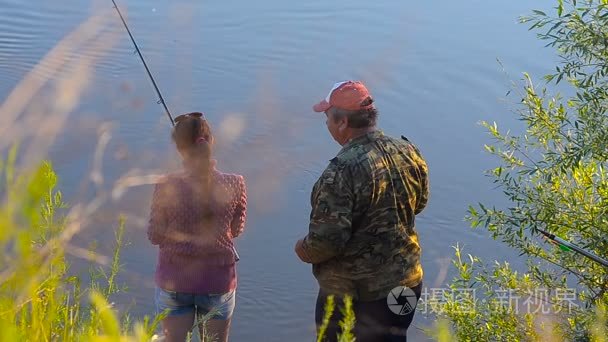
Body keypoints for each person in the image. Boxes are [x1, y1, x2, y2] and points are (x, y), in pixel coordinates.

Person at [294, 81, 429, 342]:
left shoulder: (340, 172)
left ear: (342, 122)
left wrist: (303, 248)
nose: (326, 125)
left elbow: (327, 241)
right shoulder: (408, 152)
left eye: (327, 118)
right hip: (406, 283)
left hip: (357, 295)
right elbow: (419, 203)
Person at [147, 112, 247, 342]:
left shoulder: (166, 185)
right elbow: (236, 229)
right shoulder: (235, 182)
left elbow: (154, 235)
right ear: (210, 141)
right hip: (217, 282)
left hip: (175, 281)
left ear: (180, 148)